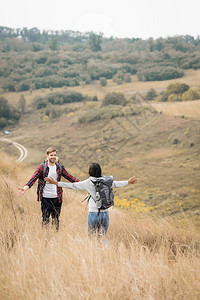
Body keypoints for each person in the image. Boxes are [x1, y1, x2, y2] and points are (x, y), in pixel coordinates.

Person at [45, 162, 137, 236]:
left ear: (89, 172)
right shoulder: (106, 181)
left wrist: (56, 183)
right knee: (102, 237)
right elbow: (117, 184)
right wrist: (128, 182)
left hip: (93, 214)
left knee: (91, 238)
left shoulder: (89, 182)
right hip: (105, 214)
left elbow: (72, 186)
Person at [18, 146, 79, 230]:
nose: (53, 157)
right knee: (45, 219)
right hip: (45, 197)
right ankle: (45, 237)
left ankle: (55, 237)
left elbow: (70, 177)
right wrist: (25, 188)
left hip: (57, 198)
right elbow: (33, 179)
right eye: (51, 155)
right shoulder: (41, 167)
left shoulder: (59, 167)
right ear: (47, 156)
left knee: (56, 220)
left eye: (54, 155)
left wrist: (83, 184)